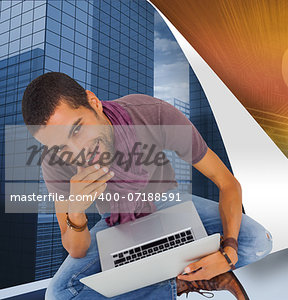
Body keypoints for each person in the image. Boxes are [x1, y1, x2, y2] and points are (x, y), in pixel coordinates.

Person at [21, 72, 273, 299]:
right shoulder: (54, 163)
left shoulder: (152, 114)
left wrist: (228, 253)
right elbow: (76, 249)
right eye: (59, 146)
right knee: (59, 294)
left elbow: (227, 183)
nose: (78, 151)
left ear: (93, 101)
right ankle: (181, 283)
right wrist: (75, 212)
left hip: (167, 202)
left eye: (77, 129)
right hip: (115, 223)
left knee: (257, 241)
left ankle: (155, 280)